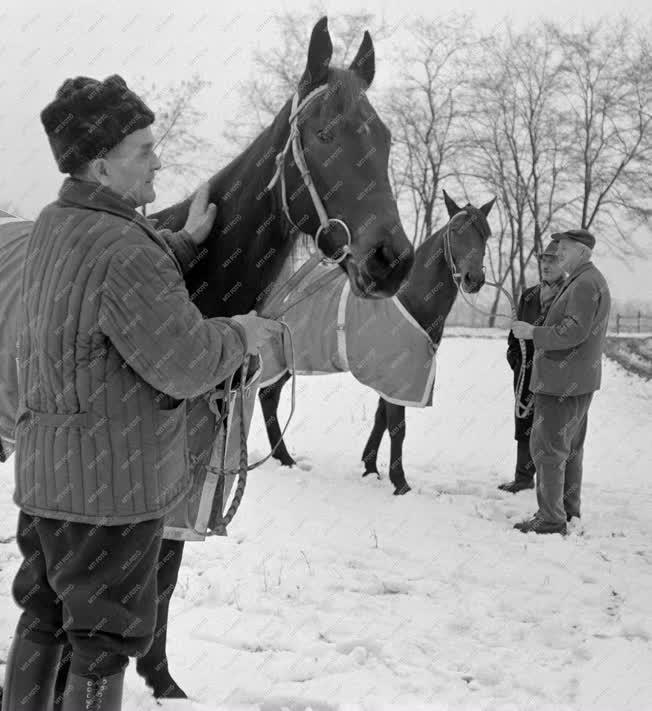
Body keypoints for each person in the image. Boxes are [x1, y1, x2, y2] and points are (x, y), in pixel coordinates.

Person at [2, 74, 273, 711]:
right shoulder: (126, 251)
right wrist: (243, 332)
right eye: (144, 149)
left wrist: (182, 243)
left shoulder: (55, 223)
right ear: (102, 163)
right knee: (103, 642)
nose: (160, 160)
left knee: (43, 617)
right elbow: (183, 362)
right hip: (112, 493)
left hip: (49, 483)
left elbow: (100, 285)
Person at [511, 228, 611, 535]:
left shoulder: (583, 284)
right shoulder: (586, 280)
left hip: (562, 381)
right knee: (569, 449)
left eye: (564, 249)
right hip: (576, 380)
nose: (559, 255)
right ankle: (566, 510)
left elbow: (573, 331)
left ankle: (551, 518)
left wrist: (533, 333)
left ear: (581, 251)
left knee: (548, 448)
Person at [499, 241, 565, 493]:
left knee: (550, 429)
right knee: (524, 422)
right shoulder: (528, 295)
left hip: (553, 372)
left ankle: (552, 488)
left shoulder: (568, 294)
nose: (546, 265)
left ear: (564, 263)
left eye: (553, 260)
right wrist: (516, 360)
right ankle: (523, 478)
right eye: (544, 260)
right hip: (525, 372)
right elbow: (514, 336)